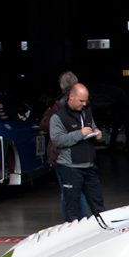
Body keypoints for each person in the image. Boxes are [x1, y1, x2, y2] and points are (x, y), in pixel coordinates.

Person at [49, 83, 105, 221]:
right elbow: (57, 140)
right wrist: (79, 134)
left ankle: (104, 232)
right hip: (71, 167)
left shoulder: (86, 113)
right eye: (81, 100)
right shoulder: (58, 117)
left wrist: (97, 134)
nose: (84, 104)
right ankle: (74, 234)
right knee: (73, 206)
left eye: (86, 100)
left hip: (89, 165)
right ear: (71, 96)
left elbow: (94, 127)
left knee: (98, 203)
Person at [39, 70, 89, 221]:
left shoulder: (58, 105)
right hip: (80, 152)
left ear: (61, 87)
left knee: (67, 192)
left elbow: (44, 125)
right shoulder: (85, 104)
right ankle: (84, 222)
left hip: (62, 154)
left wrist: (49, 110)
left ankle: (71, 224)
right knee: (80, 190)